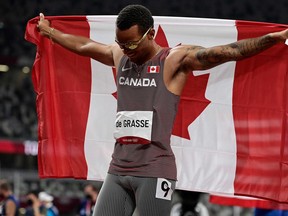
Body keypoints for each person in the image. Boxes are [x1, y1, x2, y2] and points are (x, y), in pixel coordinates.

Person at [36, 4, 288, 216]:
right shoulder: (119, 55)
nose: (127, 50)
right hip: (118, 169)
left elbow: (226, 52)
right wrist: (50, 33)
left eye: (132, 44)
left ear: (151, 33)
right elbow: (83, 46)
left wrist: (272, 39)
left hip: (155, 171)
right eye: (121, 44)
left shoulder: (173, 60)